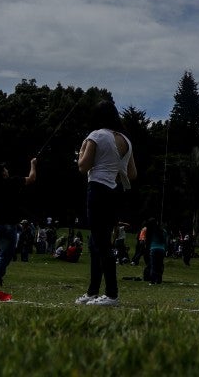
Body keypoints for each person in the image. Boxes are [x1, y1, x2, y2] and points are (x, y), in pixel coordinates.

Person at [75, 103, 137, 307]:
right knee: (96, 242)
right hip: (115, 192)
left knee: (101, 243)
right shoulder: (126, 140)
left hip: (98, 189)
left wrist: (82, 148)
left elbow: (83, 167)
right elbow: (132, 174)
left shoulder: (97, 135)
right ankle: (93, 292)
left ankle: (112, 294)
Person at [0, 158, 38, 287]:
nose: (7, 170)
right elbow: (32, 178)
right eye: (5, 169)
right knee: (5, 254)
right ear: (3, 173)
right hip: (9, 224)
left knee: (3, 253)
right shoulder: (12, 182)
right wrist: (33, 164)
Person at [144, 217, 167, 284]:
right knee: (160, 265)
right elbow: (166, 242)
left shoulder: (152, 231)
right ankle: (159, 279)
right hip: (162, 249)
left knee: (153, 265)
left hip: (153, 249)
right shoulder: (164, 231)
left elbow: (147, 241)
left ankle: (153, 280)